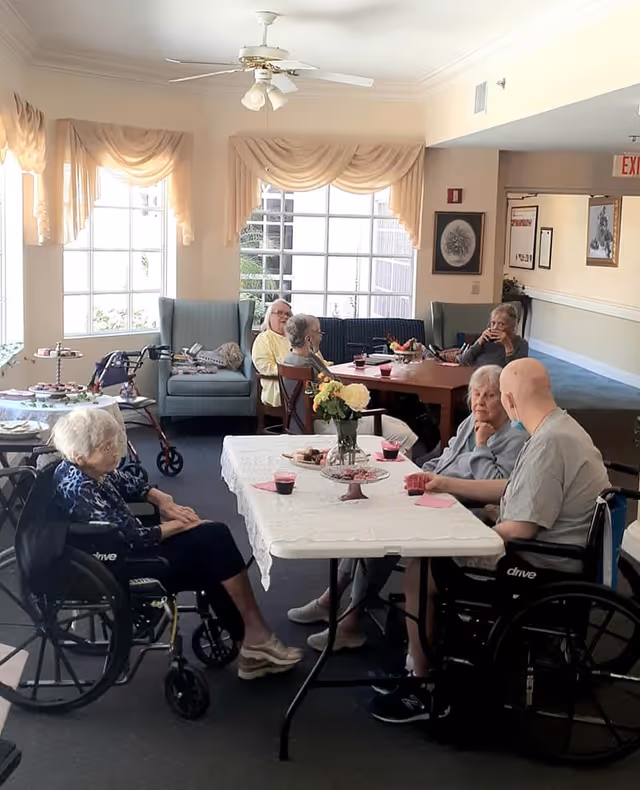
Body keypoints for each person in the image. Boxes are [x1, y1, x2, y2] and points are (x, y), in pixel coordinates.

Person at [370, 358, 610, 723]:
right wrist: (449, 486)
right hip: (561, 551)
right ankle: (422, 660)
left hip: (540, 563)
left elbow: (520, 529)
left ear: (510, 400)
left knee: (421, 566)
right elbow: (512, 491)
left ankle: (422, 685)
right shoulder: (560, 429)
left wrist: (466, 536)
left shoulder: (547, 443)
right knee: (441, 541)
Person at [288, 364, 527, 652]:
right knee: (368, 512)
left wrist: (481, 446)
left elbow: (495, 486)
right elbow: (443, 459)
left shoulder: (514, 439)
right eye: (476, 394)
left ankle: (350, 620)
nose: (479, 401)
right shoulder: (469, 423)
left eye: (489, 395)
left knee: (386, 532)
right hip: (431, 493)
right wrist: (417, 473)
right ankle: (333, 598)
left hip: (461, 510)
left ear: (505, 400)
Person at [52, 409, 303, 681]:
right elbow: (130, 538)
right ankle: (255, 639)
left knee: (213, 540)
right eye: (106, 447)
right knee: (212, 542)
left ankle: (252, 640)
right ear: (80, 455)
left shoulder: (86, 467)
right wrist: (179, 525)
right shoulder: (78, 488)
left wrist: (162, 499)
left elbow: (126, 481)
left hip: (125, 549)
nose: (116, 452)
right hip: (119, 562)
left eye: (115, 444)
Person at [282, 313, 418, 452]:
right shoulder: (308, 364)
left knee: (399, 425)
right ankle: (403, 472)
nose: (321, 336)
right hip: (328, 424)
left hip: (300, 423)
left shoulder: (290, 360)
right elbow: (330, 397)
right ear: (308, 339)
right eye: (318, 332)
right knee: (402, 434)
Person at [455, 303, 529, 368]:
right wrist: (479, 342)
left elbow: (515, 371)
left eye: (501, 324)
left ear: (513, 327)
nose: (495, 328)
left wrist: (507, 345)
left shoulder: (521, 344)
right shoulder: (486, 339)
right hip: (478, 377)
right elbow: (464, 360)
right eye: (493, 323)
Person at [251, 299, 293, 408]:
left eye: (288, 314)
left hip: (304, 383)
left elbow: (317, 360)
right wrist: (294, 372)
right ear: (269, 316)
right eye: (279, 313)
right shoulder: (264, 339)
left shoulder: (296, 339)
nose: (285, 317)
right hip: (278, 386)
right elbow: (264, 367)